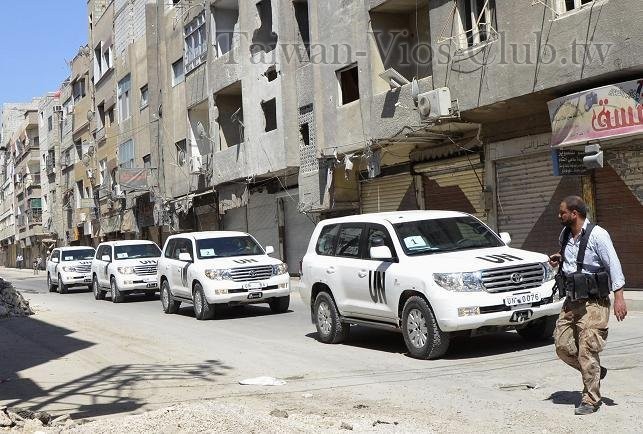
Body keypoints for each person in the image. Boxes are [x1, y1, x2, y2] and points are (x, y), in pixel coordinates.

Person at [549, 195, 627, 415]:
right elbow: (571, 260)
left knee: (587, 348)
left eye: (562, 212)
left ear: (574, 214)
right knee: (562, 347)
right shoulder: (565, 234)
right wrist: (559, 258)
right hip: (572, 300)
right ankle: (594, 370)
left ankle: (591, 398)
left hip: (595, 302)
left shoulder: (598, 235)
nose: (559, 215)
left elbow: (614, 265)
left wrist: (619, 298)